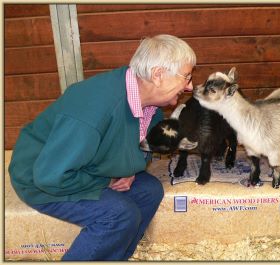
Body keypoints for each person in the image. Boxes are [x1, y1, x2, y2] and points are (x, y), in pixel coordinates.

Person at [8, 34, 196, 261]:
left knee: (150, 191)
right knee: (118, 215)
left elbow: (141, 147)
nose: (190, 86)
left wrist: (128, 172)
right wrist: (107, 181)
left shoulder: (149, 106)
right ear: (158, 75)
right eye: (186, 77)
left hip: (82, 166)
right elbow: (50, 176)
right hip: (42, 178)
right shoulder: (94, 111)